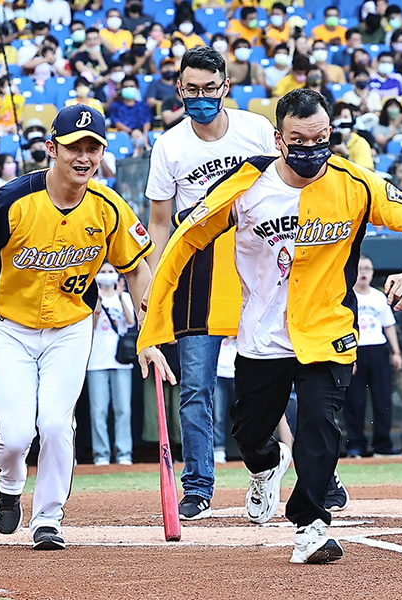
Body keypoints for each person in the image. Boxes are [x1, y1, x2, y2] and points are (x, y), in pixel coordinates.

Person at [138, 88, 402, 563]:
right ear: (279, 139)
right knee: (250, 433)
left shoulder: (356, 183)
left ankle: (310, 526)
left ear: (331, 134)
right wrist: (156, 304)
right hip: (261, 334)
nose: (311, 149)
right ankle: (266, 465)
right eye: (299, 141)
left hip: (327, 328)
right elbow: (185, 239)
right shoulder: (244, 185)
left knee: (320, 422)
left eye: (320, 139)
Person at [0, 105, 173, 550]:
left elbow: (136, 269)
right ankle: (9, 486)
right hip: (11, 327)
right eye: (73, 147)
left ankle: (48, 518)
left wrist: (148, 334)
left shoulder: (108, 207)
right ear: (52, 148)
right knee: (15, 437)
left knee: (54, 424)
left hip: (70, 327)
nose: (83, 157)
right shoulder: (12, 199)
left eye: (93, 148)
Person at [144, 46, 276, 521]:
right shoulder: (169, 146)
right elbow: (160, 221)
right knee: (196, 386)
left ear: (226, 87)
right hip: (198, 265)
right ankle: (198, 486)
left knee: (278, 375)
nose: (201, 97)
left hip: (258, 257)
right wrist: (156, 280)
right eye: (192, 89)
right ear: (179, 89)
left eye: (209, 88)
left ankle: (311, 472)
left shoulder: (256, 129)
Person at [344, 255, 402, 458]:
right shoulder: (347, 297)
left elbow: (389, 325)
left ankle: (383, 445)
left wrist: (396, 352)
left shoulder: (379, 297)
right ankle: (355, 445)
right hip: (355, 351)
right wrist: (348, 356)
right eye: (360, 268)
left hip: (378, 350)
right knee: (355, 400)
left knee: (382, 398)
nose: (364, 273)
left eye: (367, 269)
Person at [86, 263, 135, 466]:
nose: (106, 275)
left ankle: (124, 452)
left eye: (110, 272)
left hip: (120, 360)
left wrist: (120, 296)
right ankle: (101, 454)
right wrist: (97, 299)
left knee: (123, 409)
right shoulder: (92, 298)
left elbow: (131, 322)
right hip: (96, 361)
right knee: (99, 410)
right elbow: (91, 325)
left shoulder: (124, 297)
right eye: (103, 272)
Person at [213, 336, 236, 464]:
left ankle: (247, 449)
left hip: (237, 374)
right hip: (219, 374)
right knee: (218, 415)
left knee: (243, 414)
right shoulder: (217, 335)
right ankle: (219, 450)